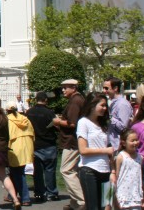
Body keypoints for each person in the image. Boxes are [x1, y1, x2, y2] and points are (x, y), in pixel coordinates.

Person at [53, 78, 87, 210]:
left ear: (74, 88)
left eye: (66, 87)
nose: (63, 90)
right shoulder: (78, 100)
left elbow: (72, 123)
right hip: (74, 141)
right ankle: (74, 203)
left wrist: (57, 122)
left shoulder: (75, 101)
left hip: (72, 142)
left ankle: (82, 200)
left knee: (66, 170)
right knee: (74, 171)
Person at [77, 93, 112, 210]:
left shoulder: (104, 125)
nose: (105, 108)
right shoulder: (83, 122)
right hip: (89, 170)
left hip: (106, 170)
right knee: (93, 207)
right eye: (102, 105)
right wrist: (105, 150)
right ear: (92, 106)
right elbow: (83, 150)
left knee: (106, 206)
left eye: (105, 105)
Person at [27, 91, 59, 202]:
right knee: (50, 170)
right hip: (48, 143)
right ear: (45, 100)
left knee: (37, 171)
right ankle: (52, 193)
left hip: (35, 144)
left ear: (36, 99)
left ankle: (39, 192)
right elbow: (56, 126)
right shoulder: (49, 113)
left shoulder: (29, 112)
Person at [6, 101, 34, 207]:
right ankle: (11, 195)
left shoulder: (8, 120)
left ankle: (25, 198)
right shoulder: (25, 119)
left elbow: (6, 135)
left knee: (18, 173)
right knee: (15, 172)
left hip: (14, 149)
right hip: (27, 148)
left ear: (7, 110)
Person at [112, 129, 144, 210]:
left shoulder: (140, 158)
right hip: (123, 196)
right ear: (123, 143)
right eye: (132, 141)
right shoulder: (121, 156)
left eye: (136, 140)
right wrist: (115, 198)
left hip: (136, 196)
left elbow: (140, 177)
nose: (135, 143)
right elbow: (116, 177)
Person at [103, 77, 133, 149]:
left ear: (115, 88)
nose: (104, 91)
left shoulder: (122, 104)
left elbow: (123, 128)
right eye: (103, 88)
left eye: (106, 88)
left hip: (118, 145)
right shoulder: (112, 103)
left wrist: (109, 117)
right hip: (112, 144)